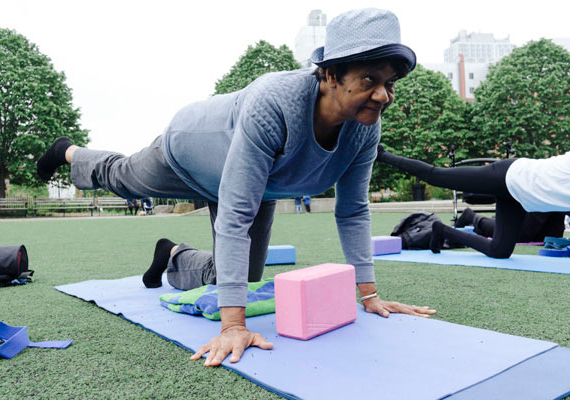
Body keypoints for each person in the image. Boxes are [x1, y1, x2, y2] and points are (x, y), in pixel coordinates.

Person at [36, 8, 435, 367]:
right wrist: (232, 327)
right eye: (369, 80)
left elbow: (352, 210)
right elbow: (236, 216)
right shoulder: (275, 102)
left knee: (240, 277)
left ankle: (172, 254)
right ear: (331, 74)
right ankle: (69, 152)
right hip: (187, 153)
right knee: (124, 178)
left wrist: (369, 296)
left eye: (390, 83)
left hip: (255, 185)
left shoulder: (365, 128)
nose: (383, 95)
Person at [376, 146, 570, 258]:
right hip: (508, 175)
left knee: (499, 251)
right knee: (437, 176)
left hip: (520, 197)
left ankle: (442, 230)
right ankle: (382, 155)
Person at [455, 208, 565, 244]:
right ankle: (473, 218)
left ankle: (490, 221)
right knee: (520, 235)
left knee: (547, 236)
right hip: (546, 187)